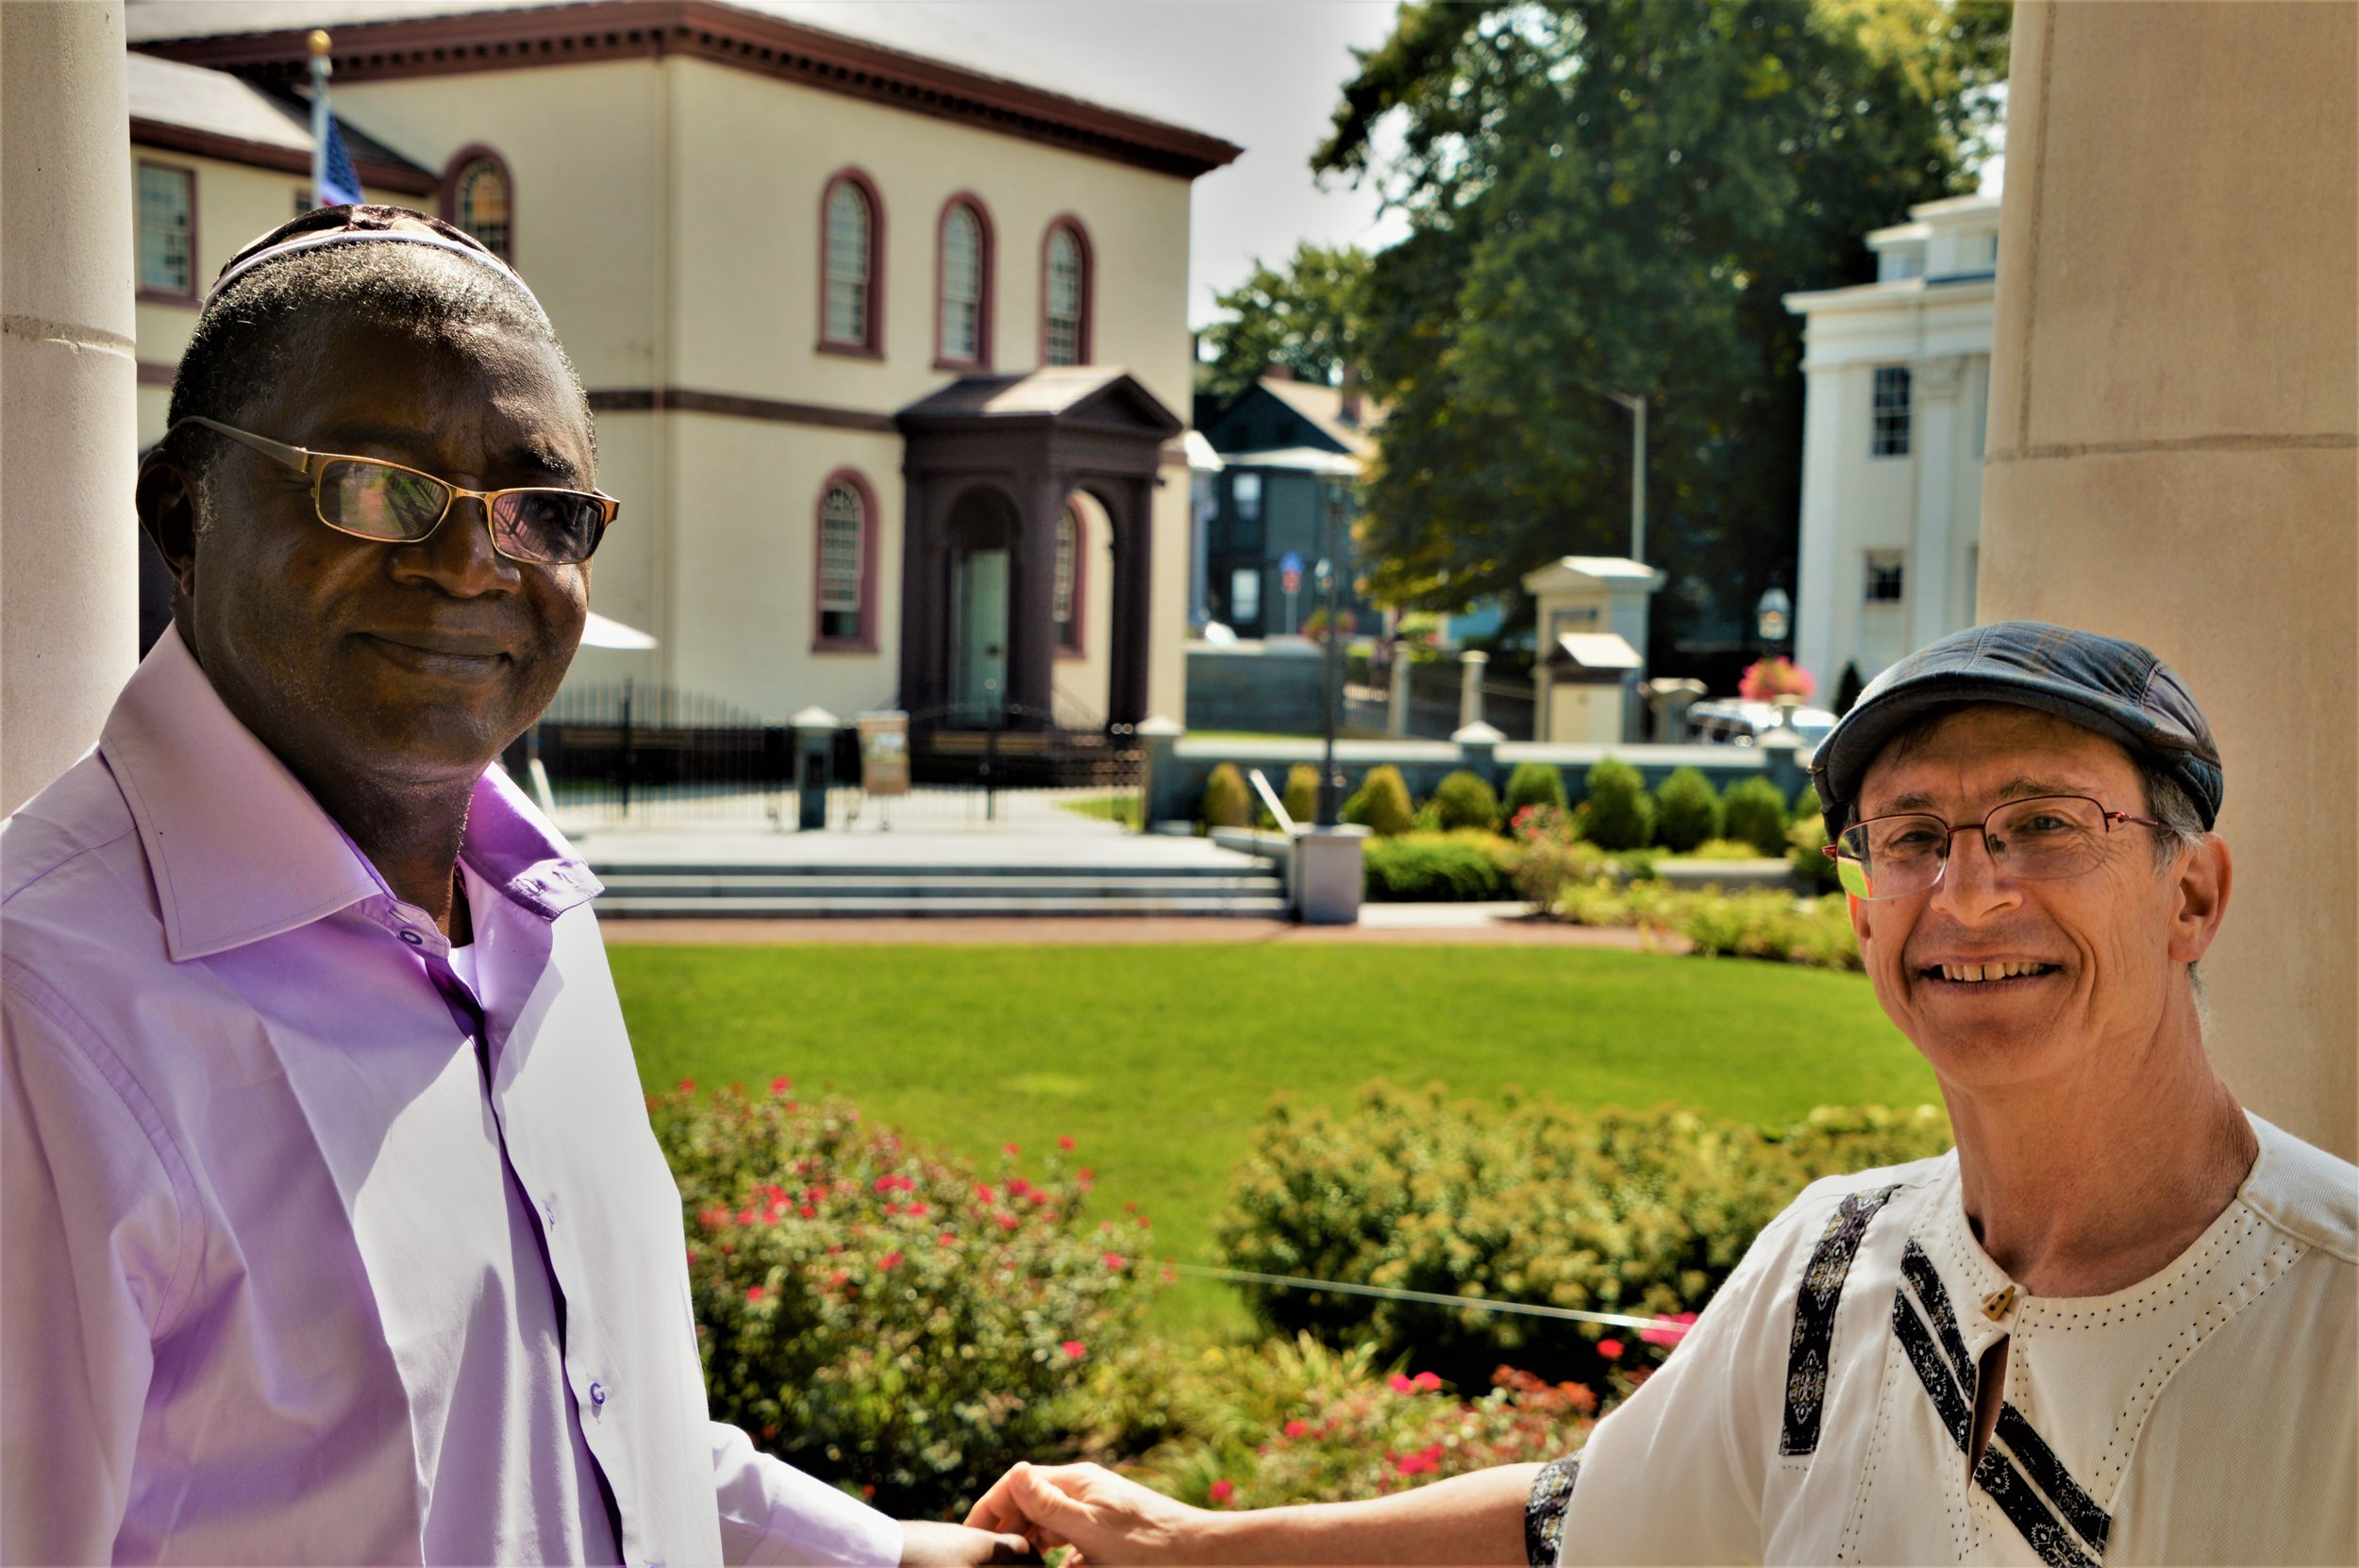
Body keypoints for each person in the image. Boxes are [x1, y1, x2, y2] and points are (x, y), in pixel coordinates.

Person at [0, 207, 1030, 1566]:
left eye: (540, 509)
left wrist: (888, 1554)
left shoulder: (534, 916)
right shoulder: (44, 1003)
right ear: (180, 514)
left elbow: (573, 1406)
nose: (470, 562)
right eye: (370, 481)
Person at [965, 623, 2357, 1565]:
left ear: (2193, 893)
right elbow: (1576, 1527)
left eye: (2044, 823)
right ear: (1867, 918)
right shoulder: (1832, 1257)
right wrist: (1197, 1545)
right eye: (1913, 836)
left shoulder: (2335, 1317)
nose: (1968, 890)